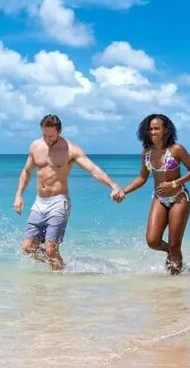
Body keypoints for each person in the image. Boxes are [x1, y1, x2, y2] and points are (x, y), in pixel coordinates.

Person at [14, 114, 124, 271]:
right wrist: (19, 195)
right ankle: (61, 266)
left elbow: (93, 170)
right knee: (27, 248)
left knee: (51, 249)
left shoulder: (71, 150)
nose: (47, 139)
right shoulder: (35, 146)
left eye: (51, 136)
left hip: (59, 202)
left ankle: (57, 278)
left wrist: (113, 185)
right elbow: (26, 171)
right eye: (44, 135)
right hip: (39, 202)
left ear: (59, 131)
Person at [113, 114, 190, 275]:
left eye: (156, 128)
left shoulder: (176, 149)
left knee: (175, 243)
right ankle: (172, 253)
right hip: (159, 199)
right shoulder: (147, 152)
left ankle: (175, 282)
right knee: (152, 241)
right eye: (150, 129)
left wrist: (174, 183)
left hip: (179, 198)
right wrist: (124, 191)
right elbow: (142, 178)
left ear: (165, 130)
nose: (153, 132)